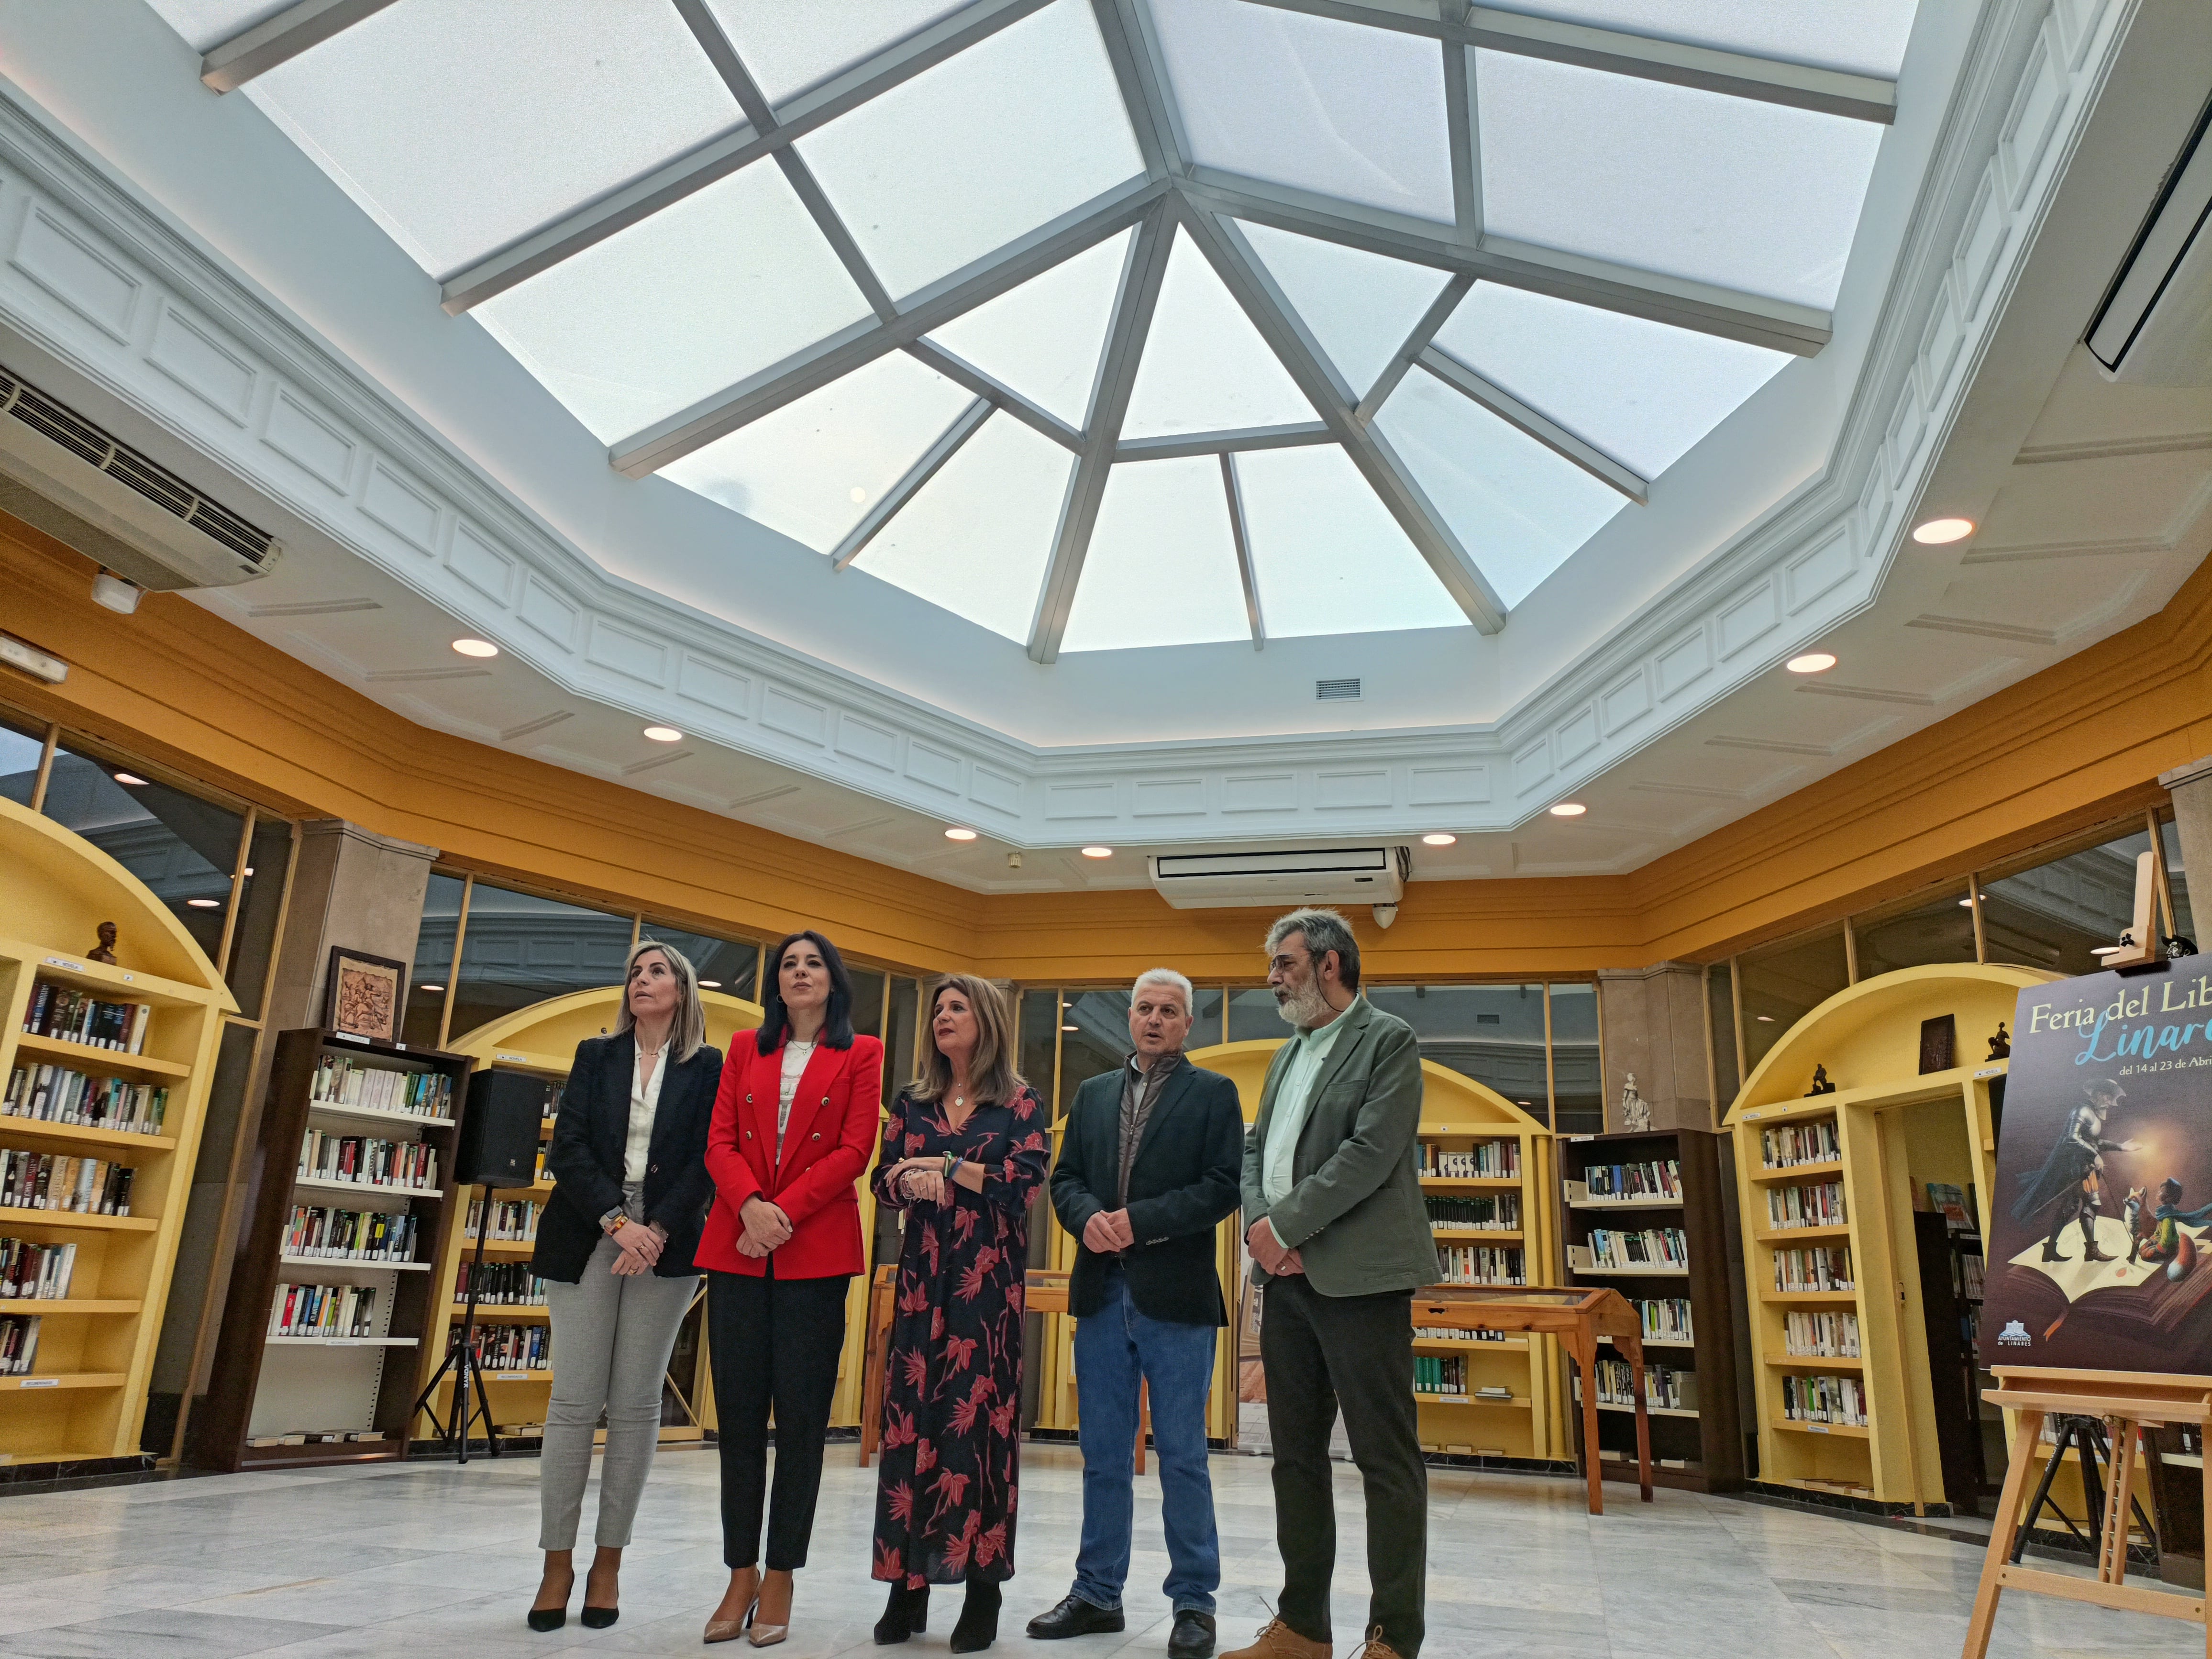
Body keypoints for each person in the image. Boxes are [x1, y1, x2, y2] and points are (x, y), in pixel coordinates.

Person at [1225, 908, 1432, 1659]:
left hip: (1360, 1282)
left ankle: (1393, 1638)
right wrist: (1259, 1223)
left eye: (1283, 964)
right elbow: (1258, 1150)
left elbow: (1371, 1153)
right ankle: (1304, 1627)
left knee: (1385, 1459)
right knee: (1295, 1458)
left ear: (1329, 964)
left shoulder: (1389, 1042)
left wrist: (1288, 1229)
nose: (1272, 978)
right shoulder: (1288, 1054)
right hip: (1284, 1283)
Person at [1030, 970, 1242, 1659]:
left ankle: (1193, 1604)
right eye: (1145, 1008)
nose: (1155, 1019)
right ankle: (1097, 1594)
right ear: (1130, 1018)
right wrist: (1089, 1219)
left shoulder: (1214, 1094)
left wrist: (1138, 1222)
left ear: (1189, 1024)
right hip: (1100, 1294)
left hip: (1175, 1297)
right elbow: (1063, 1181)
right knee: (1102, 1455)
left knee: (1182, 1455)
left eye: (1170, 1011)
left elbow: (1221, 1188)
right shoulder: (1090, 1095)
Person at [526, 940, 721, 1632]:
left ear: (683, 989)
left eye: (657, 971)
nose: (643, 981)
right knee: (575, 1401)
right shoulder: (595, 1056)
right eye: (636, 973)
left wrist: (658, 1230)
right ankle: (557, 1563)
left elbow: (708, 1159)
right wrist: (617, 1220)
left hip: (665, 1244)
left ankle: (608, 1563)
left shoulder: (708, 1068)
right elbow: (566, 1148)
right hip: (589, 1229)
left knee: (637, 1405)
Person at [697, 931, 884, 1645]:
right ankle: (739, 1570)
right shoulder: (745, 1046)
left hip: (813, 1252)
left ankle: (781, 1574)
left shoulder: (860, 1053)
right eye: (788, 965)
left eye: (813, 964)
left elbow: (855, 1149)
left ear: (833, 981)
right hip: (737, 1247)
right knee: (738, 1419)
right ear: (776, 984)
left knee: (801, 1421)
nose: (800, 973)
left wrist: (781, 1214)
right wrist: (748, 1206)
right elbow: (717, 1141)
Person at [870, 974, 1050, 1654]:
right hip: (920, 1283)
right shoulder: (911, 1101)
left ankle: (982, 1588)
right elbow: (882, 1180)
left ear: (989, 1020)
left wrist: (942, 1166)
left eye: (958, 1007)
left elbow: (1023, 1184)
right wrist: (905, 1176)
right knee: (908, 1425)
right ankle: (904, 1587)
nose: (943, 1017)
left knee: (974, 1434)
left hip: (987, 1290)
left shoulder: (1020, 1102)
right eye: (938, 1009)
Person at [2011, 1077, 2139, 1262]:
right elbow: (2071, 1139)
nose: (2111, 1103)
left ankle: (2051, 1251)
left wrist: (2120, 1147)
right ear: (2100, 1094)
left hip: (2085, 1168)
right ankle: (2091, 1251)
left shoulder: (2092, 1113)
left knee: (2070, 1207)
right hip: (2078, 1169)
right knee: (2092, 1203)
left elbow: (2094, 1142)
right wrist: (2095, 1155)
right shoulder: (2083, 1111)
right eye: (2109, 1097)